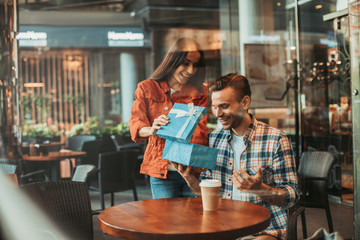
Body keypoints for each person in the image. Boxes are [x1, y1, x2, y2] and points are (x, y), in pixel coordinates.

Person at [173, 73, 298, 239]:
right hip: (223, 228)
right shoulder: (214, 139)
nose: (217, 113)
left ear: (245, 102)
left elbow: (292, 196)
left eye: (224, 106)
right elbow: (209, 194)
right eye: (214, 106)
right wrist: (190, 179)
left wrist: (260, 189)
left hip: (264, 230)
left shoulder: (276, 140)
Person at [129, 38, 208, 199]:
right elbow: (136, 123)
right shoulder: (147, 88)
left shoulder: (200, 91)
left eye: (195, 65)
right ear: (173, 60)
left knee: (196, 221)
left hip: (193, 172)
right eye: (185, 63)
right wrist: (152, 129)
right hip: (162, 173)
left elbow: (200, 132)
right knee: (165, 222)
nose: (191, 70)